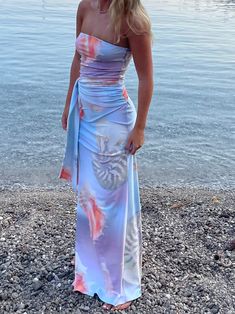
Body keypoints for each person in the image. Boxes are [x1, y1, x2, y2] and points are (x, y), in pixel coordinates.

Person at [58, 0, 153, 311]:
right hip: (85, 115)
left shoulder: (133, 20)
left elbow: (146, 79)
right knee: (89, 201)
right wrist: (69, 103)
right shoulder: (84, 7)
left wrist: (139, 127)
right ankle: (89, 274)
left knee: (112, 205)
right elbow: (77, 58)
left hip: (115, 121)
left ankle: (119, 284)